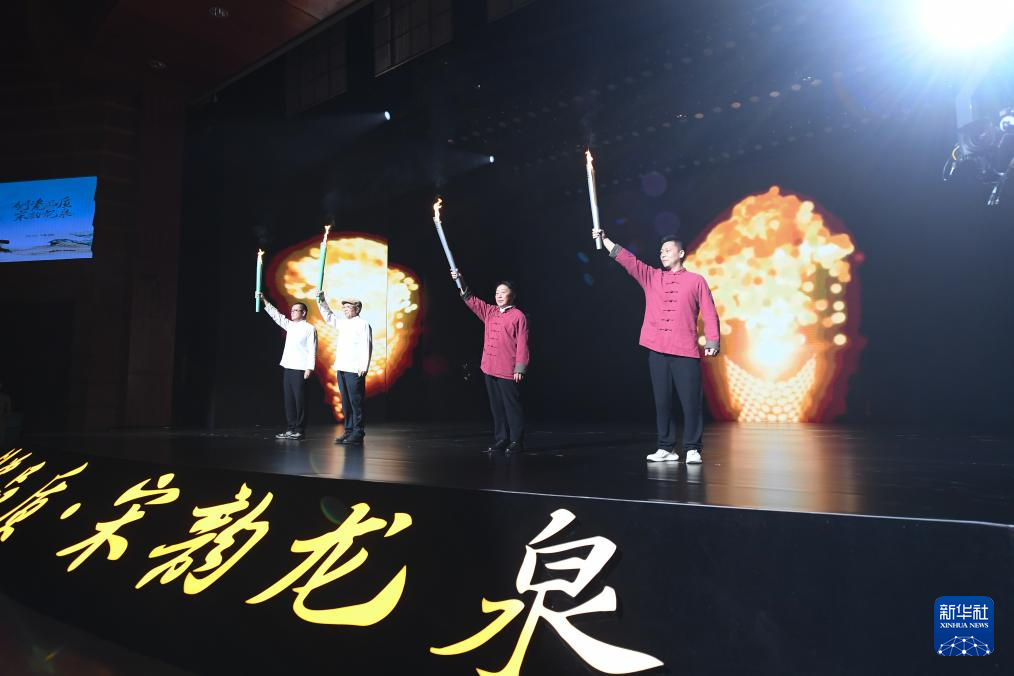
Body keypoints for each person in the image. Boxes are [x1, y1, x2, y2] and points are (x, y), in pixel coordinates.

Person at [592, 228, 720, 464]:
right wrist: (605, 240)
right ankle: (666, 447)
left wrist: (712, 340)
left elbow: (710, 312)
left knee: (691, 403)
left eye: (668, 250)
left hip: (684, 351)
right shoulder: (652, 277)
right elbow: (629, 261)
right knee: (662, 402)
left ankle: (693, 448)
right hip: (657, 350)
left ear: (681, 253)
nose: (663, 254)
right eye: (661, 251)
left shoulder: (696, 281)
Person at [450, 269, 529, 455]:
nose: (499, 296)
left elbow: (523, 344)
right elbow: (471, 300)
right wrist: (460, 280)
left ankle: (516, 441)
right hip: (489, 367)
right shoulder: (490, 312)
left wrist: (520, 368)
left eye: (503, 292)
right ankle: (501, 438)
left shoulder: (519, 316)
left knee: (511, 407)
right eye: (497, 293)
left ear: (513, 295)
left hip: (508, 369)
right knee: (496, 407)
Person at [256, 293, 317, 439]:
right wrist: (264, 300)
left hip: (301, 369)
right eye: (292, 310)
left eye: (296, 310)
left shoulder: (310, 328)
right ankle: (291, 428)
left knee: (300, 400)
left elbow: (312, 349)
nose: (292, 312)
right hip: (288, 367)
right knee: (289, 400)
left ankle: (300, 430)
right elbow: (276, 315)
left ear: (304, 313)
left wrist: (310, 368)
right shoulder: (290, 325)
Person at [316, 292, 373, 445]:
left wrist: (363, 366)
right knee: (346, 402)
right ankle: (349, 431)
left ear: (357, 309)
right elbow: (329, 317)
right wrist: (322, 301)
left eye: (348, 307)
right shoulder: (343, 323)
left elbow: (366, 345)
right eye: (344, 307)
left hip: (354, 369)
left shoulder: (362, 324)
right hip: (341, 366)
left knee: (356, 401)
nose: (345, 309)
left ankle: (358, 432)